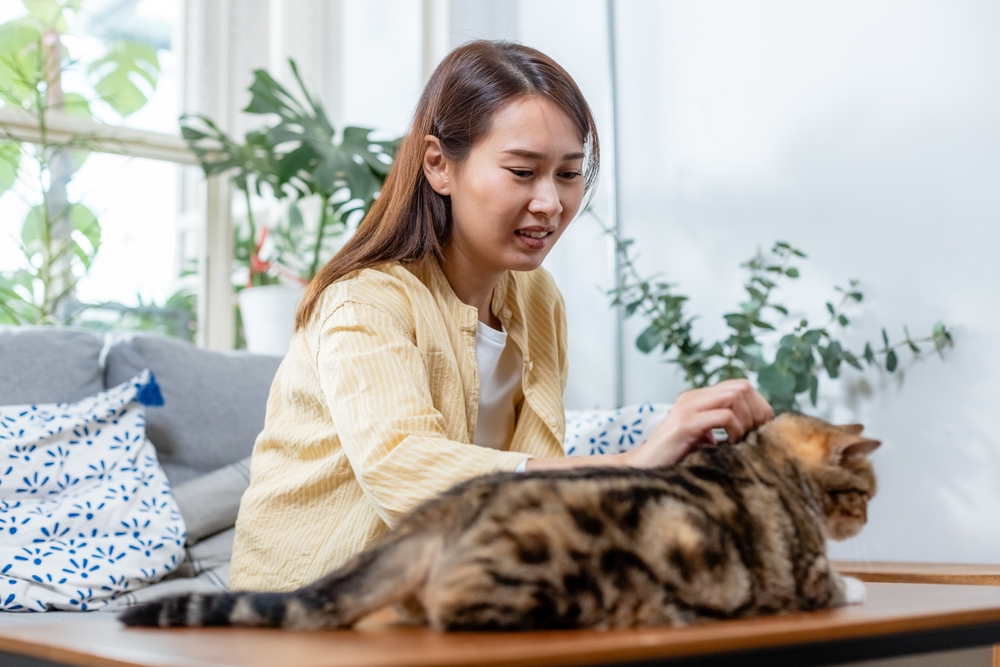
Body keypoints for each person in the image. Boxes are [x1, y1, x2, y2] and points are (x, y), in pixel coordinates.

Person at [229, 40, 773, 592]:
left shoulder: (538, 299)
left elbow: (535, 496)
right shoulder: (364, 300)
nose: (551, 203)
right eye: (521, 171)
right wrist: (629, 468)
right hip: (303, 614)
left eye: (567, 174)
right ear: (438, 164)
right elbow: (404, 471)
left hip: (445, 603)